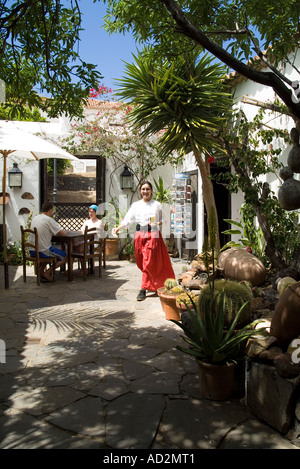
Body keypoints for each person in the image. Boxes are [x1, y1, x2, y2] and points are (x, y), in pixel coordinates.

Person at [113, 181, 175, 301]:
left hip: (152, 235)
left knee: (147, 262)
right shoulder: (136, 205)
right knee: (140, 261)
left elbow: (164, 220)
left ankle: (143, 289)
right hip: (139, 235)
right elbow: (127, 220)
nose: (145, 191)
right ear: (140, 191)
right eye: (143, 189)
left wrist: (156, 223)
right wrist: (118, 228)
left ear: (151, 191)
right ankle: (155, 283)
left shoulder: (157, 205)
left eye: (147, 189)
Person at [29, 201, 67, 282]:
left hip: (32, 250)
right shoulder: (49, 220)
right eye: (52, 210)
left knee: (48, 250)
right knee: (64, 256)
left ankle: (41, 272)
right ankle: (47, 273)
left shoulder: (35, 218)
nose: (52, 212)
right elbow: (63, 234)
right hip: (42, 251)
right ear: (50, 210)